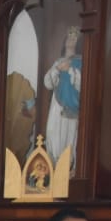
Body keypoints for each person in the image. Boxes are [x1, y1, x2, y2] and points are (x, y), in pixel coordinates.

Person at [43, 26, 82, 170]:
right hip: (57, 104)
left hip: (71, 105)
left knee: (68, 136)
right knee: (53, 133)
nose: (70, 40)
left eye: (74, 38)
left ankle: (66, 169)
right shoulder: (58, 61)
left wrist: (70, 70)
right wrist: (57, 69)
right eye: (69, 36)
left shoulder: (80, 61)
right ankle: (53, 167)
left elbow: (82, 84)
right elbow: (48, 83)